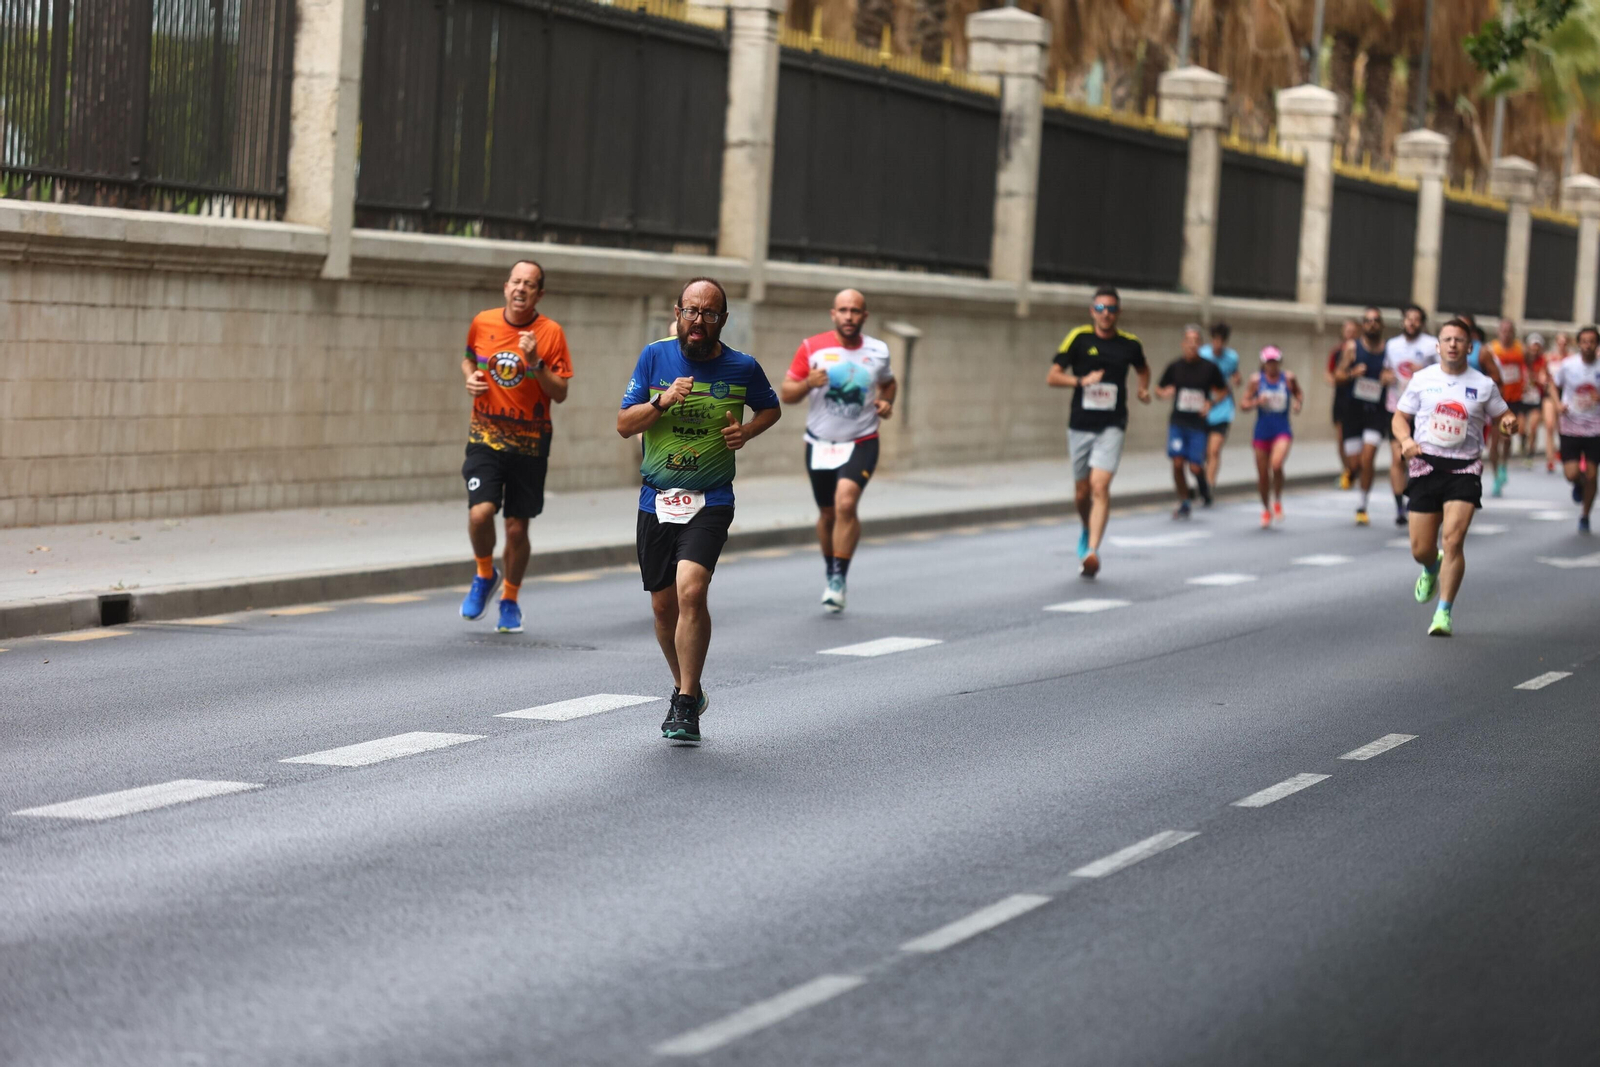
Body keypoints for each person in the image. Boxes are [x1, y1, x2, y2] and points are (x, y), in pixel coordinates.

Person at [617, 278, 781, 742]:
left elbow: (771, 410)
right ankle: (684, 682)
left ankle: (685, 704)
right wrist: (661, 401)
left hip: (711, 498)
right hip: (657, 498)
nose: (699, 321)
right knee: (663, 606)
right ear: (678, 312)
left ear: (722, 321)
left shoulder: (742, 366)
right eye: (691, 311)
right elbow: (624, 425)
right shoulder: (655, 357)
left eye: (710, 314)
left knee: (692, 591)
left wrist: (745, 434)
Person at [458, 260, 574, 634]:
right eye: (516, 281)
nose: (521, 288)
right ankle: (483, 574)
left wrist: (535, 362)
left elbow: (560, 393)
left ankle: (510, 598)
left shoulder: (551, 333)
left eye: (530, 284)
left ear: (540, 293)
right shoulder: (483, 322)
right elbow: (468, 360)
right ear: (506, 286)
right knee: (480, 514)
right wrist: (471, 378)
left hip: (530, 443)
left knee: (516, 530)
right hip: (485, 436)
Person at [1394, 317, 1517, 637]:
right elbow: (1399, 417)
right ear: (1437, 346)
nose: (1452, 344)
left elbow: (1505, 416)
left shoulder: (1483, 384)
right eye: (1447, 339)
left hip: (1464, 468)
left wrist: (1509, 425)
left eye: (1458, 340)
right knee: (1421, 548)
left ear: (1469, 346)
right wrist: (1406, 441)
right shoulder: (1422, 379)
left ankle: (1443, 613)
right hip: (1426, 465)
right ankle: (1430, 566)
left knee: (1452, 540)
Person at [780, 289, 897, 613]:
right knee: (828, 513)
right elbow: (787, 393)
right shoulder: (812, 347)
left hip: (862, 439)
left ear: (864, 316)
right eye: (843, 310)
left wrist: (887, 402)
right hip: (819, 442)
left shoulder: (878, 351)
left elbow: (888, 383)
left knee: (845, 503)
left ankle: (837, 578)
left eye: (855, 311)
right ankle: (830, 564)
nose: (849, 316)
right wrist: (808, 383)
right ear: (834, 314)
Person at [1048, 285, 1152, 578]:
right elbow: (1052, 376)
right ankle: (1086, 526)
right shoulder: (1079, 338)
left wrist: (1143, 388)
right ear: (1092, 310)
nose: (1106, 314)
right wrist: (1081, 381)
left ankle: (1092, 551)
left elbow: (1143, 369)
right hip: (1080, 424)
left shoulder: (1130, 344)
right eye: (1101, 308)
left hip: (1113, 424)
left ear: (1119, 312)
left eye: (1112, 309)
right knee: (1082, 493)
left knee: (1100, 486)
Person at [1156, 326, 1230, 519]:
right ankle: (1184, 500)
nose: (1192, 345)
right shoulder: (1175, 367)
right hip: (1178, 422)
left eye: (1196, 341)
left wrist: (1210, 403)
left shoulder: (1209, 368)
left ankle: (1204, 489)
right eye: (1188, 341)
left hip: (1198, 425)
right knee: (1178, 462)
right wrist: (1165, 393)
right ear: (1183, 344)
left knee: (1195, 467)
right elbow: (1158, 389)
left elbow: (1223, 390)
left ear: (1200, 345)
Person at [1380, 304, 1438, 525]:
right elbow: (1386, 370)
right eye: (1408, 318)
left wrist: (1422, 372)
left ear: (1421, 323)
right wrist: (1386, 377)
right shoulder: (1392, 345)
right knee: (1397, 457)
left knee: (1419, 458)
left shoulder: (1431, 345)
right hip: (1397, 407)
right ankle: (1399, 507)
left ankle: (1419, 499)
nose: (1411, 322)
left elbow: (1443, 373)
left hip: (1423, 411)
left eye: (1416, 319)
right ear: (1403, 321)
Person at [1334, 306, 1389, 525]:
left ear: (1381, 324)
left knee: (1368, 458)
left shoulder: (1389, 350)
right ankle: (1350, 472)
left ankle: (1362, 505)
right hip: (1353, 411)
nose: (1372, 324)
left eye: (1376, 320)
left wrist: (1389, 376)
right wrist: (1351, 373)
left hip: (1376, 411)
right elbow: (1337, 375)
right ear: (1363, 325)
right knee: (1355, 464)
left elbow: (1399, 373)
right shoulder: (1352, 348)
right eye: (1367, 321)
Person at [1239, 345, 1303, 527]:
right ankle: (1265, 508)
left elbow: (1298, 393)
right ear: (1263, 363)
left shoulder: (1288, 378)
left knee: (1276, 464)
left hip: (1282, 429)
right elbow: (1243, 404)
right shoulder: (1256, 381)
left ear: (1279, 362)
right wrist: (1257, 401)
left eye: (1275, 362)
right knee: (1262, 475)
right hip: (1262, 430)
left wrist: (1298, 403)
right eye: (1268, 362)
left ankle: (1278, 500)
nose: (1272, 366)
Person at [1552, 325, 1600, 532]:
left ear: (1597, 344)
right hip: (1570, 426)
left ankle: (1585, 515)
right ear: (1578, 344)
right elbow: (1553, 385)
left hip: (1595, 428)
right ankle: (1578, 485)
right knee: (1571, 474)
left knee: (1592, 474)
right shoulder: (1568, 365)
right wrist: (1557, 404)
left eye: (1592, 342)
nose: (1588, 345)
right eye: (1585, 341)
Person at [1199, 322, 1242, 500]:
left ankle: (1209, 486)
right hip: (1201, 408)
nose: (1218, 344)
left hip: (1222, 407)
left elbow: (1235, 374)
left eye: (1221, 341)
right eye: (1215, 340)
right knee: (1200, 453)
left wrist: (1237, 379)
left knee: (1214, 450)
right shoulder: (1202, 354)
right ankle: (1202, 481)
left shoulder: (1231, 357)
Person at [1486, 318, 1525, 496]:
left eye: (1509, 330)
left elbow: (1528, 368)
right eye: (1503, 330)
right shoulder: (1491, 349)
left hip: (1513, 399)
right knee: (1494, 442)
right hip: (1495, 398)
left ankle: (1503, 466)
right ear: (1498, 331)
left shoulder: (1520, 350)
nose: (1506, 333)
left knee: (1507, 437)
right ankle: (1496, 476)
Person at [1326, 318, 1360, 489]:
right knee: (1341, 438)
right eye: (1347, 330)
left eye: (1353, 330)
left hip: (1360, 401)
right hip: (1341, 400)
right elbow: (1329, 374)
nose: (1350, 334)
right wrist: (1341, 378)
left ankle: (1354, 469)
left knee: (1357, 440)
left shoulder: (1363, 351)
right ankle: (1347, 470)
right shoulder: (1337, 352)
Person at [1541, 332, 1573, 474]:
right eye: (1559, 342)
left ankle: (1563, 451)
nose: (1561, 345)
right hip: (1550, 394)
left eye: (1564, 342)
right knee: (1549, 425)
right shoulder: (1549, 357)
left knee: (1563, 428)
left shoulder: (1571, 359)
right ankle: (1550, 460)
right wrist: (1543, 379)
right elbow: (1542, 373)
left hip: (1565, 395)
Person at [1521, 332, 1546, 465]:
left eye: (1537, 347)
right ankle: (1522, 441)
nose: (1535, 349)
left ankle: (1530, 454)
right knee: (1520, 428)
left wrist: (1537, 379)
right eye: (1532, 346)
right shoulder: (1521, 360)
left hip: (1536, 399)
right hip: (1522, 399)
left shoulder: (1542, 362)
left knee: (1533, 426)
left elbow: (1544, 379)